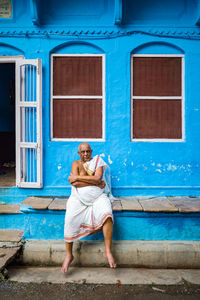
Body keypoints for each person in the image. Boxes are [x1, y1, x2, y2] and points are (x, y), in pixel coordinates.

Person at [61, 143, 116, 273]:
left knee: (107, 214)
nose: (86, 154)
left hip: (98, 197)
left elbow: (97, 177)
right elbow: (75, 184)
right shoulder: (75, 164)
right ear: (79, 153)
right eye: (83, 152)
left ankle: (107, 251)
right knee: (69, 219)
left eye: (88, 151)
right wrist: (94, 181)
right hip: (78, 198)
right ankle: (69, 255)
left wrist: (77, 177)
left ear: (91, 152)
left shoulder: (98, 161)